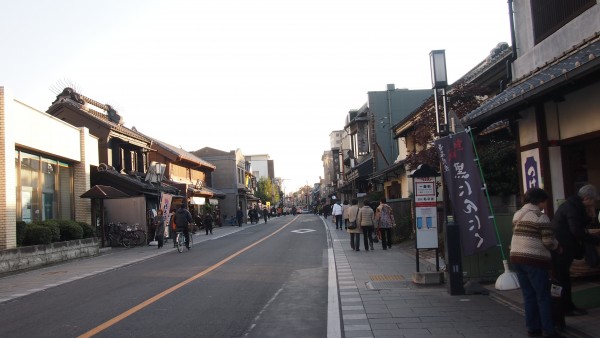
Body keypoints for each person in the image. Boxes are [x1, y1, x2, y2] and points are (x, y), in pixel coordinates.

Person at [510, 188, 564, 338]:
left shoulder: (518, 214)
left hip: (516, 257)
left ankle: (533, 328)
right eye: (544, 201)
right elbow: (548, 241)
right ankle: (549, 330)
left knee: (528, 295)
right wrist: (558, 246)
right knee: (543, 295)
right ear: (540, 201)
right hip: (533, 260)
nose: (545, 205)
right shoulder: (540, 216)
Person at [552, 184, 600, 317]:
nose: (594, 203)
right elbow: (576, 231)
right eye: (593, 200)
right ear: (586, 198)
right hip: (562, 248)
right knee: (563, 279)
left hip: (563, 246)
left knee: (564, 278)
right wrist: (596, 241)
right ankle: (565, 309)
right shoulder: (573, 208)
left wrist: (591, 214)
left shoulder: (572, 205)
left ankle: (567, 307)